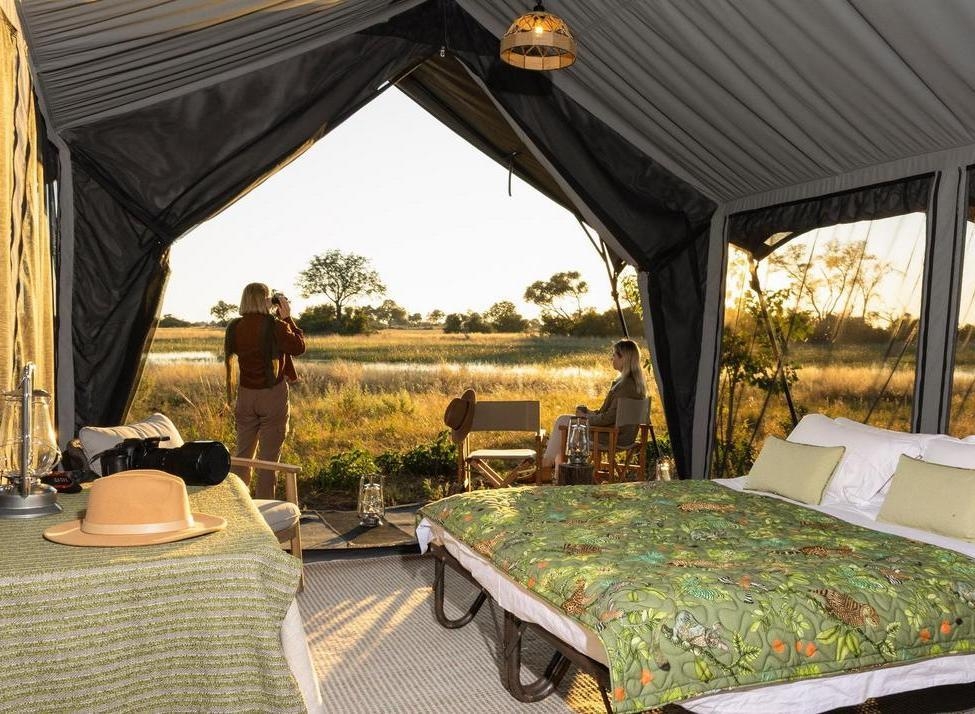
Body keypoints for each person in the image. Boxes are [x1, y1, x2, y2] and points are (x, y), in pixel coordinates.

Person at [224, 283, 305, 498]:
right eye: (268, 298)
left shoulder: (234, 327)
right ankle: (265, 509)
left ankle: (240, 506)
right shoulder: (276, 325)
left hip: (245, 394)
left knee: (242, 456)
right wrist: (287, 318)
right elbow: (298, 348)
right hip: (272, 395)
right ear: (264, 300)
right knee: (269, 460)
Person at [541, 338, 648, 472]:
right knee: (565, 427)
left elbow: (607, 419)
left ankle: (546, 466)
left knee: (563, 422)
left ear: (623, 358)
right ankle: (552, 468)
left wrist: (585, 418)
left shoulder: (625, 386)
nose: (611, 358)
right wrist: (589, 413)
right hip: (622, 435)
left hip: (611, 436)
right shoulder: (635, 384)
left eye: (614, 355)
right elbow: (610, 414)